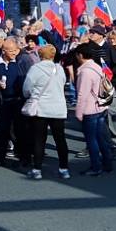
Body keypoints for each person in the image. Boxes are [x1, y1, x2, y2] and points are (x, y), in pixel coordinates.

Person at [20, 43, 70, 180]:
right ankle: (64, 169)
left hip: (41, 108)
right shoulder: (59, 69)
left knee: (39, 140)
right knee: (60, 139)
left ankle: (37, 169)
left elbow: (27, 89)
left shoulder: (35, 69)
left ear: (40, 55)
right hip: (58, 108)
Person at [73, 45, 115, 176]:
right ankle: (107, 163)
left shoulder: (85, 72)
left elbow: (82, 94)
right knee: (101, 138)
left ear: (80, 55)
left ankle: (96, 166)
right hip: (100, 106)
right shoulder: (96, 67)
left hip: (90, 109)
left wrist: (78, 112)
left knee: (91, 140)